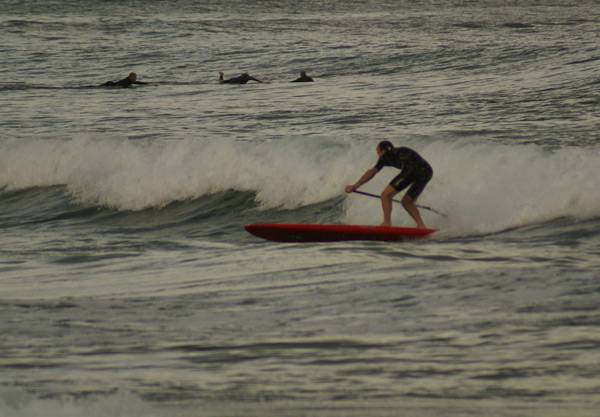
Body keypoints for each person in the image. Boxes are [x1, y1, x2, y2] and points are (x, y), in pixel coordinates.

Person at [345, 140, 433, 228]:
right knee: (407, 202)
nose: (378, 155)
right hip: (427, 171)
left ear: (383, 151)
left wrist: (356, 185)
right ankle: (421, 226)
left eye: (378, 152)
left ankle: (386, 223)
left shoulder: (386, 156)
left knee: (385, 195)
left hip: (413, 169)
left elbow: (372, 172)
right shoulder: (399, 151)